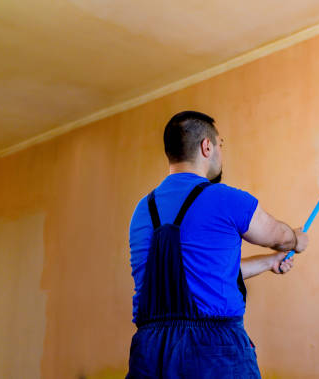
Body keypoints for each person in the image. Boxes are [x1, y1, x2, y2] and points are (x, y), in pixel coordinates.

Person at [127, 111, 308, 378]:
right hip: (212, 350)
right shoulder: (225, 198)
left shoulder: (142, 210)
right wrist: (296, 239)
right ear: (207, 146)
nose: (220, 152)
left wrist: (270, 262)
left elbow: (199, 273)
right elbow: (277, 236)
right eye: (220, 144)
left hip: (151, 351)